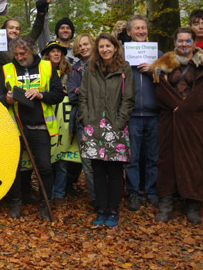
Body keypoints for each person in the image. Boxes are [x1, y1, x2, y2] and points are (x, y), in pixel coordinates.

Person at [150, 27, 203, 224]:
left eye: (188, 41)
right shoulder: (163, 65)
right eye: (180, 41)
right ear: (175, 43)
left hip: (197, 121)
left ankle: (192, 203)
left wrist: (182, 109)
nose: (184, 45)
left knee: (196, 161)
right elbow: (160, 90)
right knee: (168, 161)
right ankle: (166, 203)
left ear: (194, 43)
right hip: (171, 121)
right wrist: (176, 107)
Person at [0, 37, 63, 220]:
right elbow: (0, 97)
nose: (19, 57)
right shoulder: (7, 69)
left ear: (32, 50)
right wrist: (7, 100)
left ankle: (45, 204)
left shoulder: (47, 67)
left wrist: (41, 94)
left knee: (45, 168)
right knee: (14, 168)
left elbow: (58, 94)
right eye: (16, 54)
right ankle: (16, 202)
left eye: (23, 53)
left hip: (40, 126)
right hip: (16, 128)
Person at [79, 33, 134, 227]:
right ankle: (101, 209)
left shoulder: (124, 68)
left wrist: (119, 123)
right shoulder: (90, 69)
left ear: (115, 47)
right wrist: (86, 119)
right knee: (98, 171)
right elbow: (83, 96)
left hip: (115, 126)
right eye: (101, 47)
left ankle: (113, 210)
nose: (105, 50)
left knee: (115, 171)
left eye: (108, 46)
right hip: (93, 126)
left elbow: (128, 99)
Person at [123, 15, 161, 210]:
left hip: (154, 113)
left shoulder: (158, 54)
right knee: (132, 157)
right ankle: (134, 193)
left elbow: (169, 80)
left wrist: (154, 71)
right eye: (136, 28)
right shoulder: (121, 55)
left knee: (153, 157)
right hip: (132, 114)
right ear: (129, 32)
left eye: (143, 28)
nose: (140, 31)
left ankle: (152, 191)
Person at [0, 0, 52, 86]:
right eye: (11, 28)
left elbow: (36, 29)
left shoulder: (24, 43)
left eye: (17, 28)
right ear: (4, 29)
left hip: (27, 83)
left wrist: (41, 12)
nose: (14, 31)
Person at [66, 33, 96, 203]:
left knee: (103, 162)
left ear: (92, 44)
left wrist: (82, 91)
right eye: (80, 45)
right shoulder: (75, 68)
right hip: (83, 120)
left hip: (103, 120)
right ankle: (95, 200)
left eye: (86, 44)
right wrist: (91, 93)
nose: (84, 47)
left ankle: (109, 199)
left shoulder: (102, 65)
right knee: (88, 164)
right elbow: (72, 93)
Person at [41, 42, 72, 201]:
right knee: (47, 158)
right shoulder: (41, 71)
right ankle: (47, 193)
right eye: (52, 51)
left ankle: (59, 193)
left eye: (58, 52)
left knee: (62, 159)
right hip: (47, 118)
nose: (56, 54)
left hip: (65, 120)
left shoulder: (70, 71)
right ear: (47, 54)